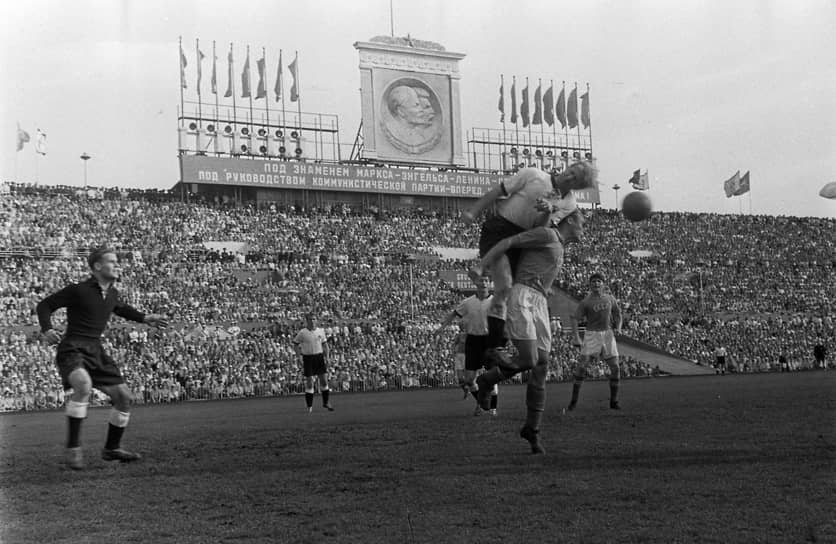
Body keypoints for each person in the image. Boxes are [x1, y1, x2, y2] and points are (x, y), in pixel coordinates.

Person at [35, 247, 168, 470]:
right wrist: (47, 329)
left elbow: (122, 309)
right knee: (83, 385)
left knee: (124, 397)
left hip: (95, 350)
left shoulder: (112, 293)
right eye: (112, 261)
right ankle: (73, 448)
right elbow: (44, 305)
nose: (117, 265)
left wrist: (145, 317)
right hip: (72, 348)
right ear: (97, 266)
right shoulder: (78, 290)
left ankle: (111, 448)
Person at [472, 210, 585, 454]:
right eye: (581, 222)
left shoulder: (559, 244)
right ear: (570, 220)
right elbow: (509, 242)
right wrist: (482, 266)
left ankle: (532, 429)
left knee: (541, 365)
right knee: (531, 358)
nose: (583, 227)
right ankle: (486, 380)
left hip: (539, 300)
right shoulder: (548, 234)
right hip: (522, 296)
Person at [463, 162, 597, 353]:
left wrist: (547, 211)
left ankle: (497, 349)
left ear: (578, 186)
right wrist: (473, 211)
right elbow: (497, 192)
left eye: (575, 178)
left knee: (511, 294)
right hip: (499, 229)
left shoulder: (569, 203)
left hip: (523, 240)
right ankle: (494, 350)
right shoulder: (534, 175)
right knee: (504, 288)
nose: (568, 176)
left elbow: (540, 229)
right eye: (570, 171)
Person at [435, 280, 500, 416]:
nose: (483, 283)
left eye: (485, 281)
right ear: (476, 284)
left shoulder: (495, 301)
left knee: (492, 376)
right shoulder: (468, 302)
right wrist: (442, 327)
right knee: (469, 379)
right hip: (473, 340)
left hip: (489, 340)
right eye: (480, 281)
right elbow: (454, 313)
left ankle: (493, 407)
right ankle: (483, 405)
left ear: (489, 284)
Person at [568, 273, 623, 411]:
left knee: (615, 367)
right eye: (593, 281)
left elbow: (618, 314)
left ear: (603, 284)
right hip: (592, 335)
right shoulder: (585, 302)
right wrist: (576, 336)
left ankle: (614, 401)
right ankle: (573, 402)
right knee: (582, 367)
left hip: (608, 334)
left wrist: (619, 327)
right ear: (590, 284)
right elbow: (575, 319)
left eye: (599, 281)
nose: (596, 284)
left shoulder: (610, 298)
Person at [293, 313, 334, 413]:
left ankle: (326, 402)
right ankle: (309, 406)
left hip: (319, 357)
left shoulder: (320, 331)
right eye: (310, 319)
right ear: (307, 320)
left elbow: (325, 345)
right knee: (310, 381)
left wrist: (327, 357)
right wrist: (299, 357)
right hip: (308, 358)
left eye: (314, 319)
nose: (312, 321)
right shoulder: (303, 332)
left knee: (324, 380)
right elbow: (295, 344)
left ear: (317, 320)